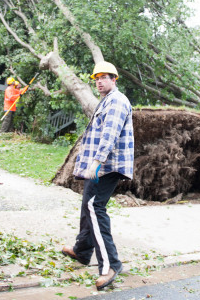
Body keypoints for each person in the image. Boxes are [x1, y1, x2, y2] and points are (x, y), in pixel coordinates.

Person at [61, 61, 134, 290]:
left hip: (107, 166)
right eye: (97, 78)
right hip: (100, 165)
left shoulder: (117, 101)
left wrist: (97, 161)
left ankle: (111, 265)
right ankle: (82, 250)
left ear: (114, 79)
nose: (100, 81)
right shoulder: (106, 101)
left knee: (94, 207)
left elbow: (110, 134)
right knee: (88, 205)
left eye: (105, 77)